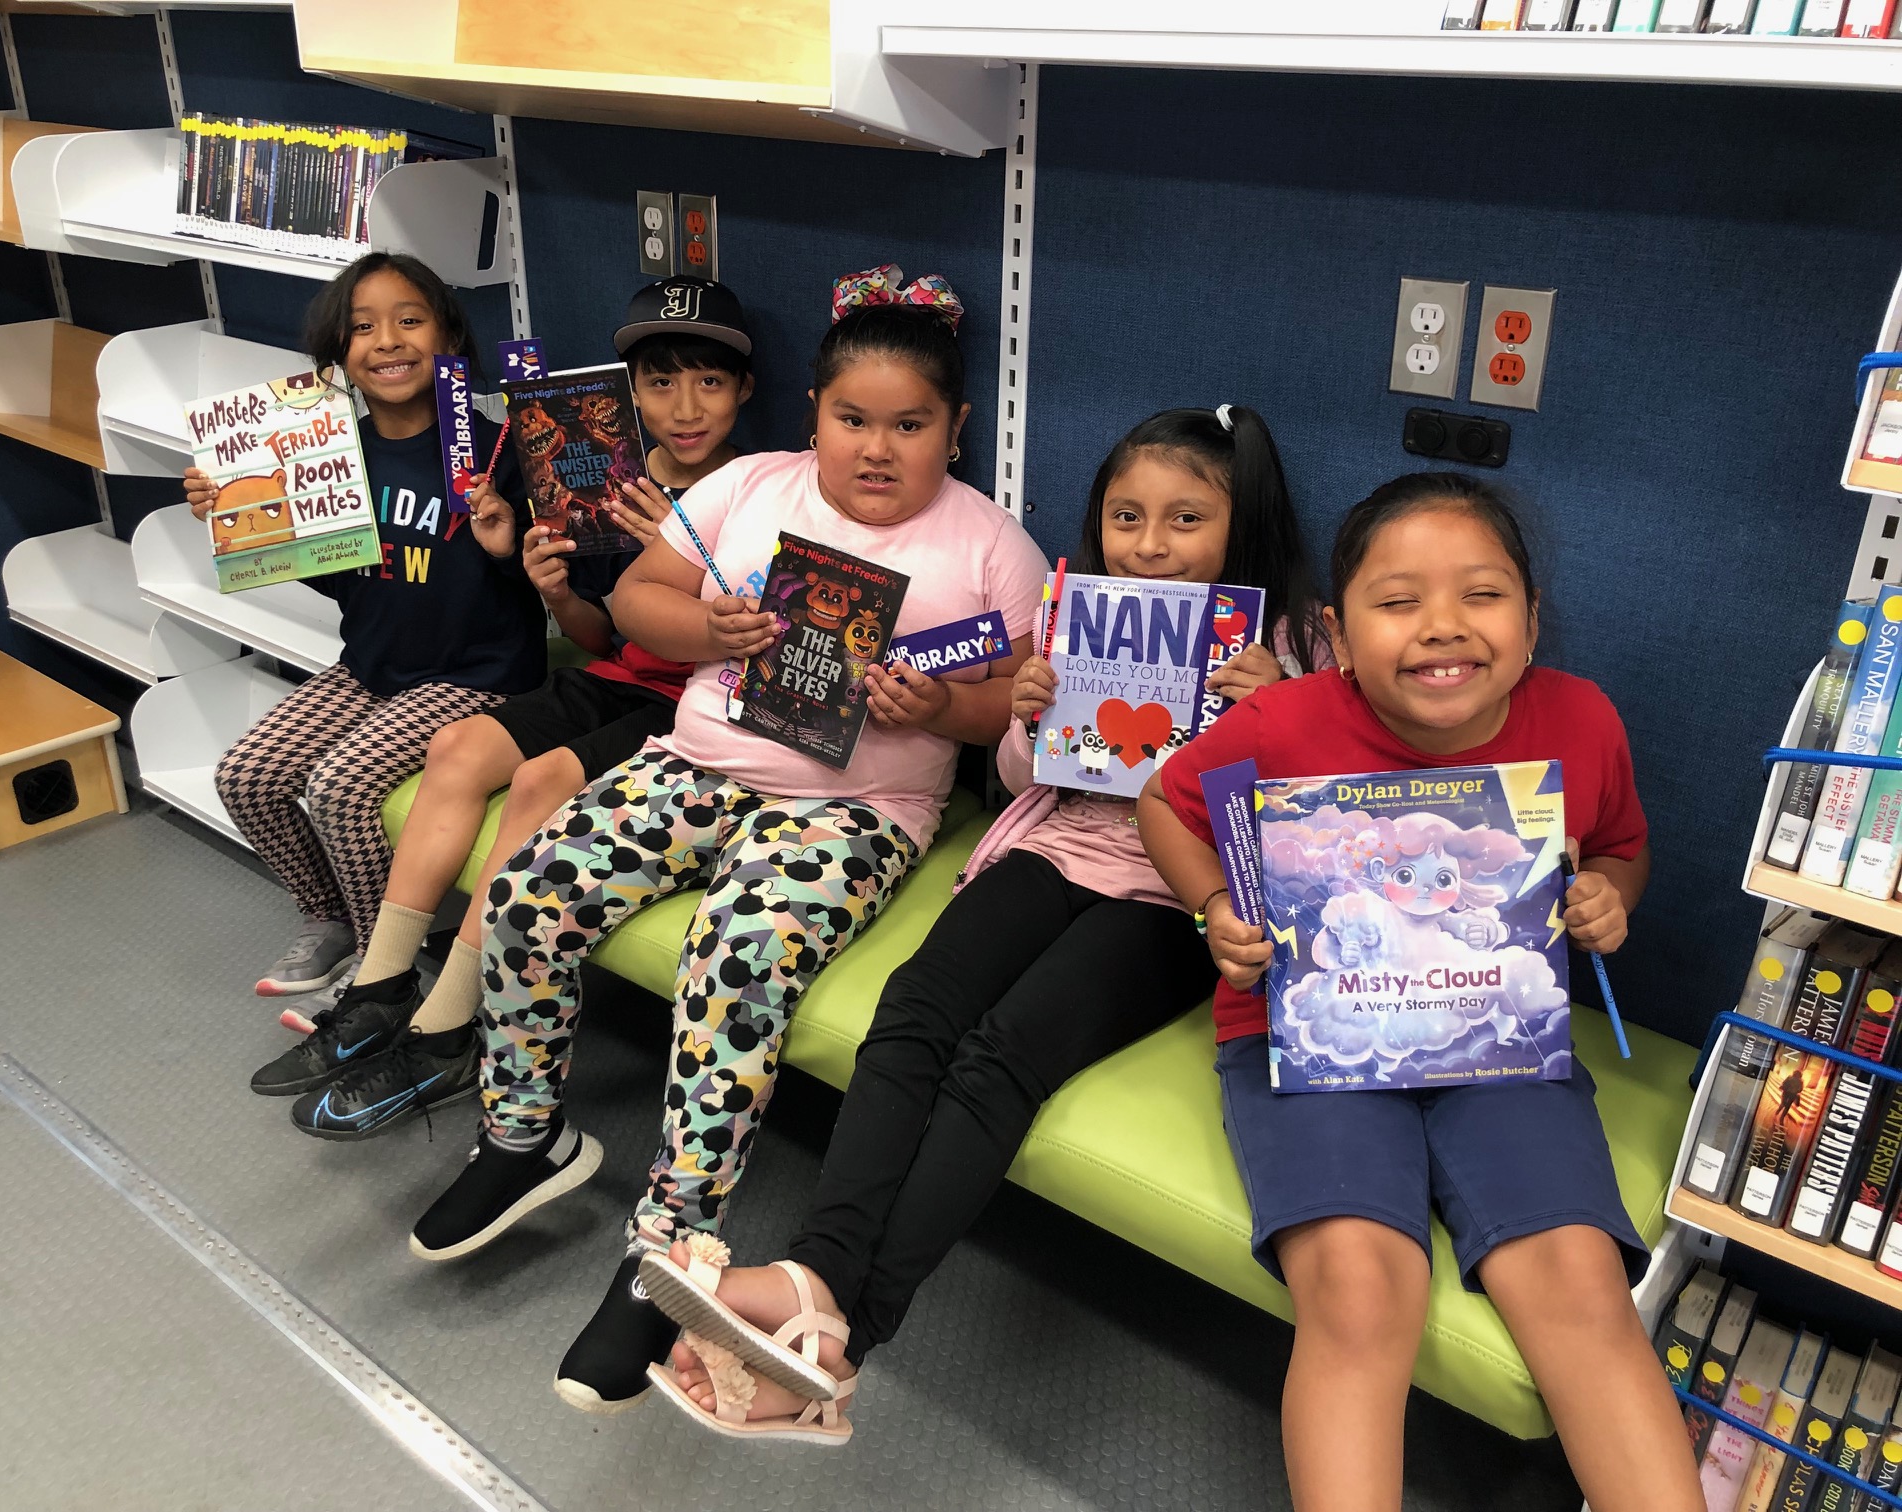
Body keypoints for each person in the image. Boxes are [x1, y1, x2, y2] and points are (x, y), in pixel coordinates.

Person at [404, 265, 1052, 1419]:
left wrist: (941, 712)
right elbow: (645, 598)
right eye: (853, 419)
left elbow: (1020, 703)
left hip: (853, 810)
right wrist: (706, 622)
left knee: (736, 957)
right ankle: (524, 1135)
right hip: (697, 758)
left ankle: (674, 1247)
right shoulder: (753, 487)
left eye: (910, 425)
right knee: (526, 895)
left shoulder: (995, 546)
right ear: (814, 413)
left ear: (955, 429)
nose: (877, 448)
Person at [635, 405, 1330, 1442]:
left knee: (1001, 1056)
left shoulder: (1302, 642)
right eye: (1128, 516)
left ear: (1246, 522)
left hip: (1179, 897)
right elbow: (1018, 780)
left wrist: (1290, 711)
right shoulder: (1075, 613)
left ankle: (844, 1338)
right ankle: (816, 1272)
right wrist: (1030, 715)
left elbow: (1328, 830)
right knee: (914, 1011)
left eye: (1187, 519)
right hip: (1055, 848)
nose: (1151, 545)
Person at [1142, 474, 1696, 1512]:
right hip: (1308, 1033)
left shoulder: (1581, 720)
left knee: (1580, 1285)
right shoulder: (1281, 721)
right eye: (1398, 602)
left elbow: (1622, 846)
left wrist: (1609, 900)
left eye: (1482, 596)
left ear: (1532, 622)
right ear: (1339, 636)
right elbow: (1164, 803)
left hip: (1498, 1038)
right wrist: (1216, 904)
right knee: (1358, 1292)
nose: (1443, 627)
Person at [265, 278, 759, 1137]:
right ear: (629, 393)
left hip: (703, 703)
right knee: (457, 749)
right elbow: (603, 642)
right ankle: (382, 989)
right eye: (659, 382)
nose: (685, 406)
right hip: (618, 678)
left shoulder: (768, 490)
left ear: (745, 391)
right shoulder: (602, 479)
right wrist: (554, 590)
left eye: (710, 382)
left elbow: (764, 640)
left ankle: (451, 1027)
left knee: (538, 785)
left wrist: (676, 553)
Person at [191, 252, 542, 1006]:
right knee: (245, 776)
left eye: (410, 320)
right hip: (374, 665)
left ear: (448, 337)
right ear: (338, 356)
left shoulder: (494, 450)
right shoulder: (331, 453)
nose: (387, 341)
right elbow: (339, 578)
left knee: (340, 784)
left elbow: (538, 586)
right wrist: (243, 521)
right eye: (362, 328)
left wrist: (506, 547)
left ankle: (386, 969)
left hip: (478, 678)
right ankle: (332, 919)